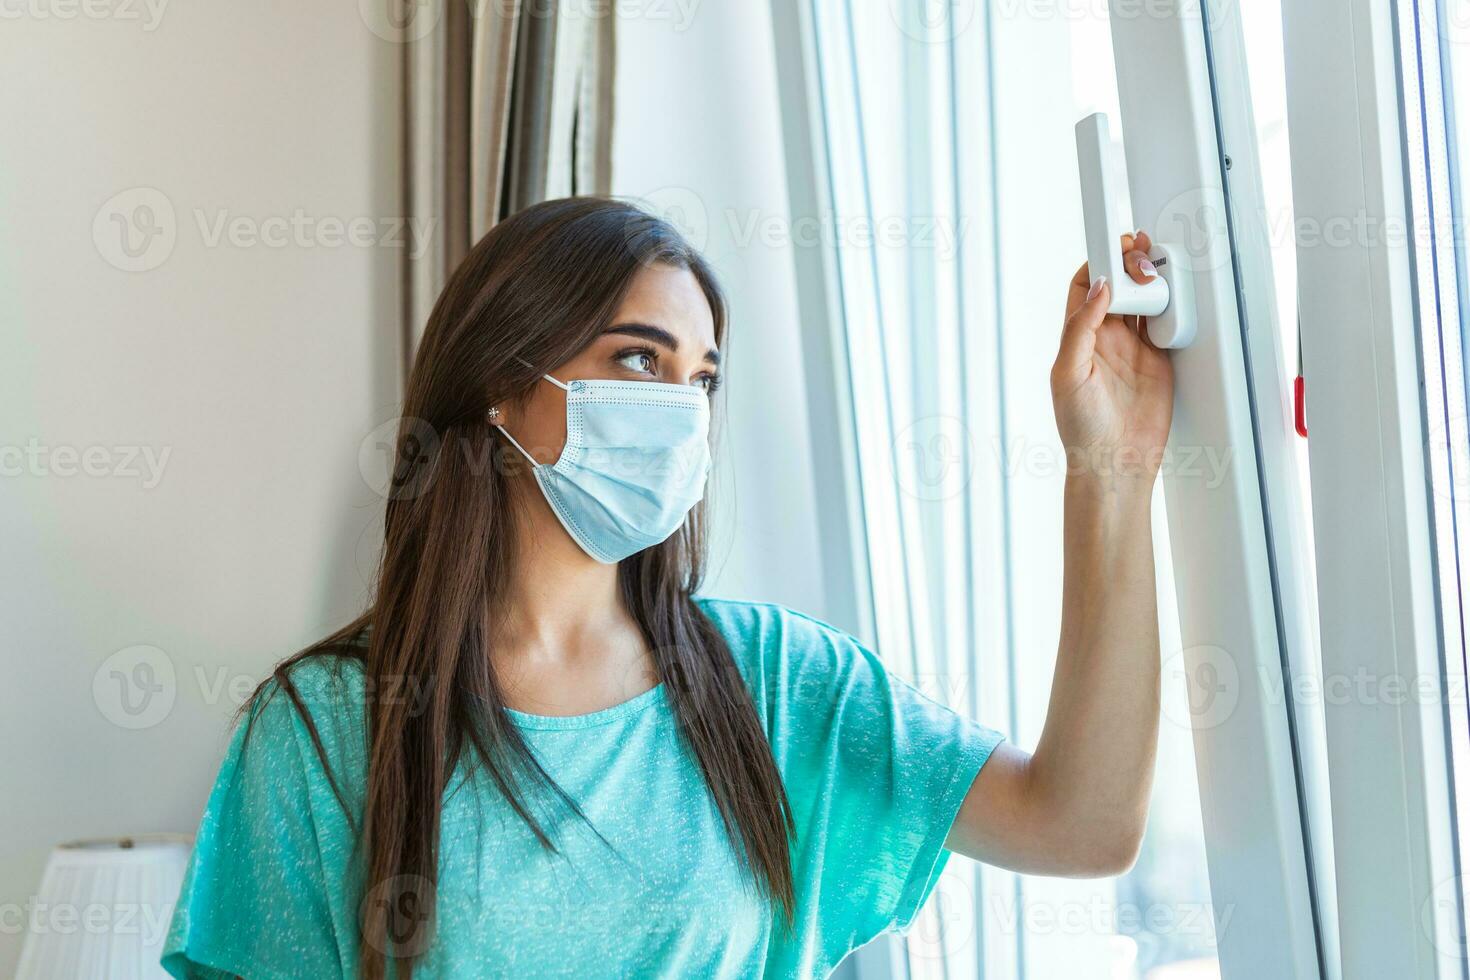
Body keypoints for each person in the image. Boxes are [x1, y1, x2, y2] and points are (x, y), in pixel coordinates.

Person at [161, 196, 1172, 979]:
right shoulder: (324, 728)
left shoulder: (777, 678)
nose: (682, 411)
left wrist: (1110, 474)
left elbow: (1079, 823)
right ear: (504, 385)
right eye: (639, 359)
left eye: (701, 379)